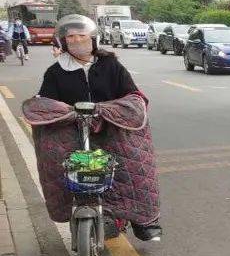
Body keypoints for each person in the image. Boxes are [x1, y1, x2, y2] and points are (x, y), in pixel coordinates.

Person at [31, 14, 162, 242]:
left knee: (134, 161)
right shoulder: (55, 71)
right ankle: (66, 207)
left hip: (112, 127)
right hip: (71, 128)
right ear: (62, 41)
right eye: (70, 37)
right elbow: (46, 102)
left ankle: (142, 219)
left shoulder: (110, 65)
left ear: (92, 38)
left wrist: (115, 108)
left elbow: (132, 94)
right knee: (54, 158)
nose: (76, 40)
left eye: (81, 35)